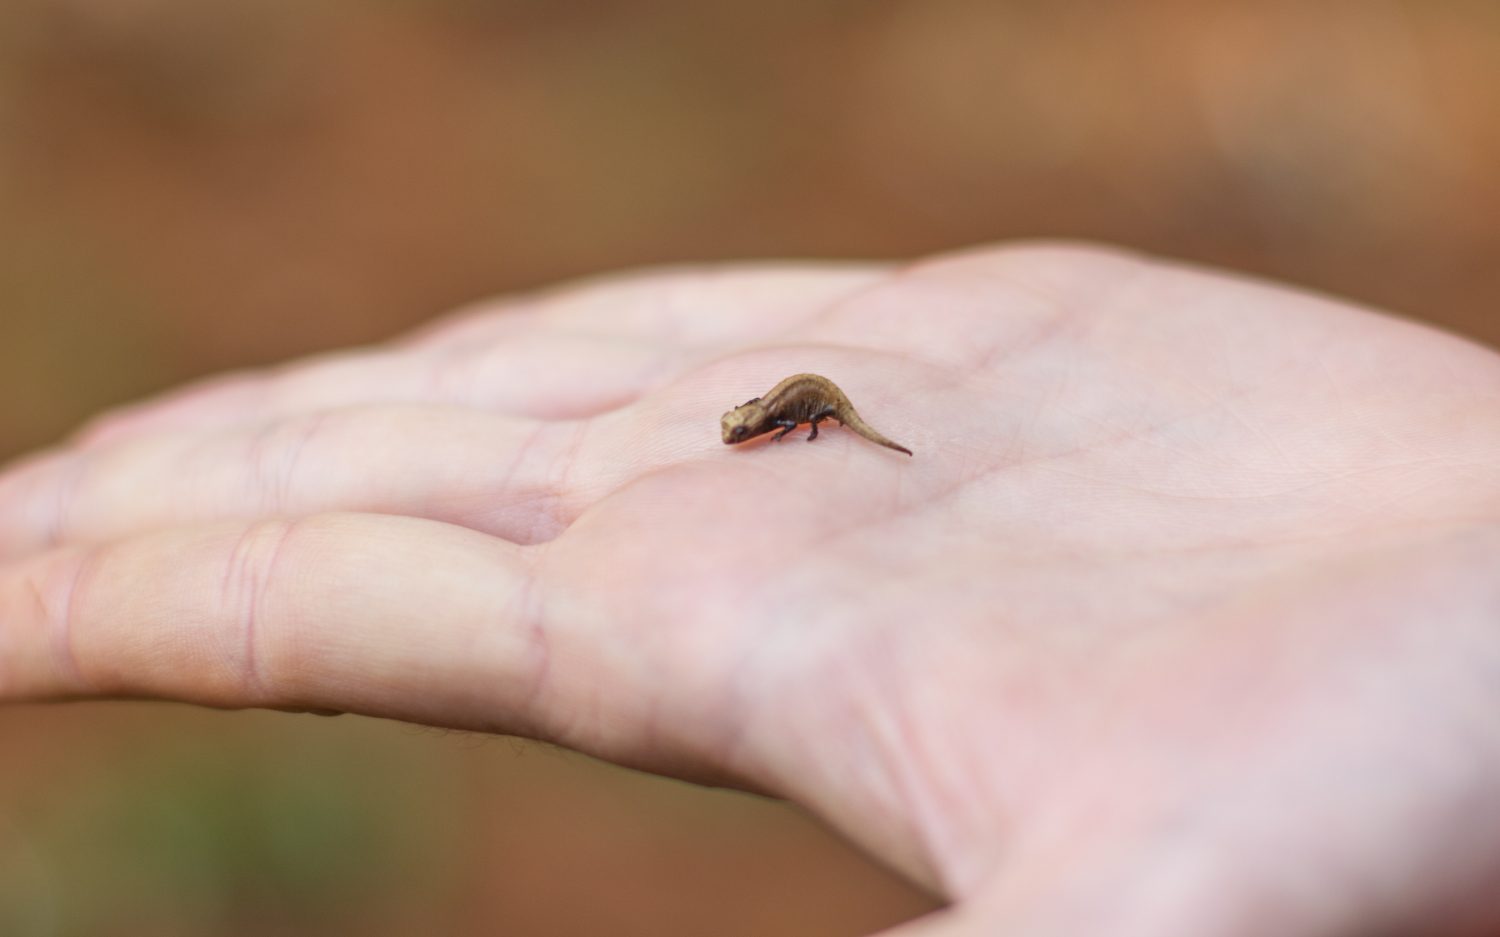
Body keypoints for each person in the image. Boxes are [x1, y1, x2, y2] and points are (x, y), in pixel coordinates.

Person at [1, 243, 1498, 935]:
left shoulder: (807, 417)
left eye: (765, 432)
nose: (760, 440)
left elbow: (813, 413)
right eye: (760, 433)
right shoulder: (767, 420)